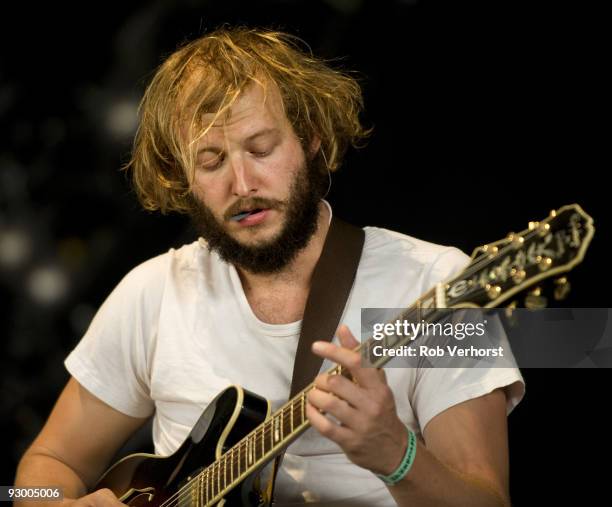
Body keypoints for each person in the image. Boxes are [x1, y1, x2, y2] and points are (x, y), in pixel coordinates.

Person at [15, 27, 524, 506]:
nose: (242, 183)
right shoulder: (153, 293)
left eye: (261, 148)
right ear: (182, 177)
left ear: (311, 139)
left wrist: (396, 453)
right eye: (211, 161)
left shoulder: (439, 282)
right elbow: (37, 473)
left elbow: (487, 500)